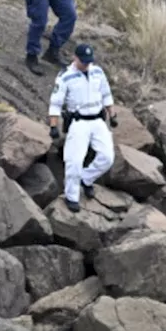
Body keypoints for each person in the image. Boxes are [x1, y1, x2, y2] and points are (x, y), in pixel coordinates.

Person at [47, 43, 116, 212]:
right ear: (75, 58)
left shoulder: (97, 72)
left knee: (107, 157)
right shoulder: (65, 76)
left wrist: (112, 115)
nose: (86, 64)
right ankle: (71, 195)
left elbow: (106, 94)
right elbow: (55, 103)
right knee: (74, 160)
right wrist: (53, 126)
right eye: (83, 61)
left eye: (88, 61)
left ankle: (86, 179)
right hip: (79, 122)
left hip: (97, 120)